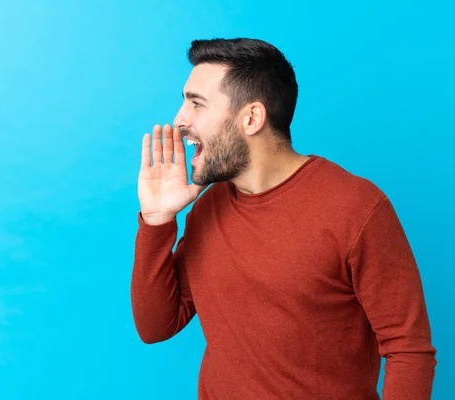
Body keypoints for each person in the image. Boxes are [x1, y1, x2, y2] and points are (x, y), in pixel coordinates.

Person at [131, 38, 436, 400]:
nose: (180, 120)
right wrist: (156, 220)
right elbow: (156, 326)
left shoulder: (357, 209)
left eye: (196, 103)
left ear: (252, 118)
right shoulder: (208, 209)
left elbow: (409, 349)